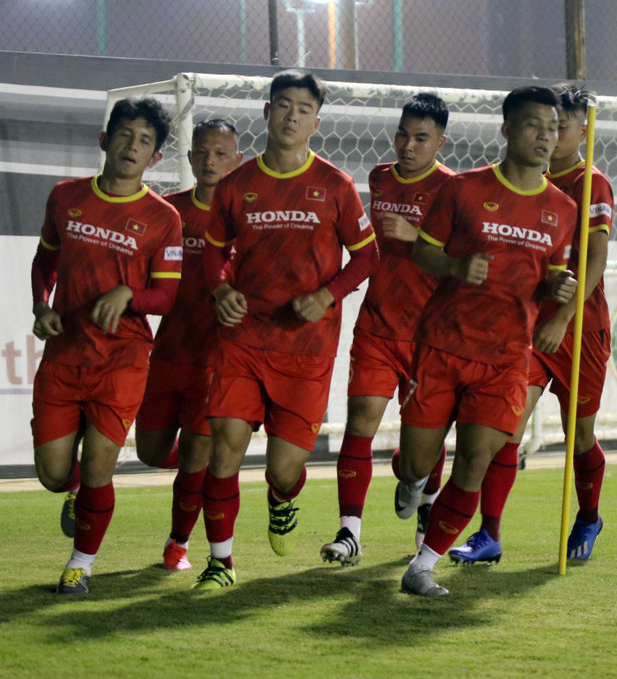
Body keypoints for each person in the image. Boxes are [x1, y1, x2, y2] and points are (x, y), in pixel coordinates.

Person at [193, 69, 379, 591]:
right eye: (283, 105)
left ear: (316, 122)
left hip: (307, 348)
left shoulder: (335, 186)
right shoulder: (235, 186)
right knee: (224, 445)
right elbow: (213, 250)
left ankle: (281, 500)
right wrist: (221, 288)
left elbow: (367, 257)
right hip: (244, 340)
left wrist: (327, 294)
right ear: (268, 111)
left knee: (282, 471)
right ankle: (221, 563)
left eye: (303, 108)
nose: (291, 115)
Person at [396, 86, 578, 597]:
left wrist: (556, 292)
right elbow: (424, 253)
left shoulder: (561, 209)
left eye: (553, 127)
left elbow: (553, 278)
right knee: (416, 463)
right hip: (442, 345)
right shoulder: (462, 190)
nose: (545, 136)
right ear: (506, 130)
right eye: (533, 125)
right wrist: (455, 264)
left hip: (505, 357)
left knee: (476, 460)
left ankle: (423, 565)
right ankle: (411, 478)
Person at [449, 83, 614, 566]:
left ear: (584, 129)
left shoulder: (591, 183)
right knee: (505, 429)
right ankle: (490, 534)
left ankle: (588, 516)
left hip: (579, 328)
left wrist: (563, 318)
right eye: (548, 124)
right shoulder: (522, 181)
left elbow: (596, 260)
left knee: (577, 435)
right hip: (527, 329)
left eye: (564, 125)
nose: (555, 133)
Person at [29, 97, 182, 595]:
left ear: (155, 158)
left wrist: (129, 295)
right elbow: (44, 262)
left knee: (100, 467)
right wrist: (40, 305)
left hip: (123, 360)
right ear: (104, 139)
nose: (132, 146)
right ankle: (71, 491)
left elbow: (166, 295)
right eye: (125, 135)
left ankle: (81, 564)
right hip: (65, 354)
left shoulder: (163, 218)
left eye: (144, 142)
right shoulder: (65, 196)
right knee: (55, 475)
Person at [320, 93, 454, 566]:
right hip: (377, 326)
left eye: (421, 138)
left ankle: (422, 505)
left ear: (441, 141)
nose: (408, 145)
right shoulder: (379, 178)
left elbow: (464, 262)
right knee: (360, 424)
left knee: (426, 442)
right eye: (403, 134)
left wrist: (418, 238)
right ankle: (349, 532)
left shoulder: (455, 190)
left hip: (428, 336)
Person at [135, 119, 244, 571]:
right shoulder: (168, 212)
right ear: (191, 157)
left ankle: (178, 544)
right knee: (149, 453)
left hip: (215, 361)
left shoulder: (247, 219)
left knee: (196, 459)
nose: (211, 161)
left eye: (221, 153)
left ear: (237, 160)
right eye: (203, 152)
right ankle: (202, 463)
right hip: (167, 354)